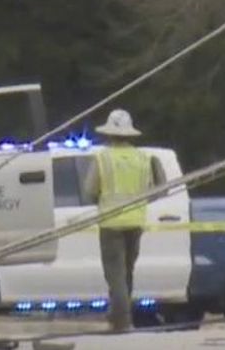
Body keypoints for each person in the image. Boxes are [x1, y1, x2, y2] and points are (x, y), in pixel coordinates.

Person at [81, 108, 164, 332]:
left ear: (109, 133)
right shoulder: (142, 158)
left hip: (111, 223)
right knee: (127, 273)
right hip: (136, 222)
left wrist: (100, 200)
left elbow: (90, 190)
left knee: (115, 276)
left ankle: (121, 321)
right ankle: (121, 317)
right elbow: (153, 190)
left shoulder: (103, 158)